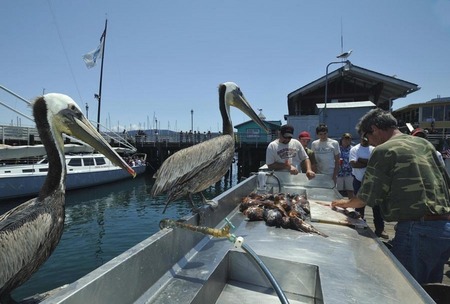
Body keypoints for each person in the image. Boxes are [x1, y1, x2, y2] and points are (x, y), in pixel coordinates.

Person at [332, 108, 450, 284]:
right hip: (443, 228)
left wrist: (344, 203)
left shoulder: (384, 150)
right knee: (430, 292)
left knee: (406, 289)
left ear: (375, 129)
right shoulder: (424, 145)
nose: (368, 142)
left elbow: (365, 198)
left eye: (366, 137)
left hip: (417, 230)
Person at [349, 135, 388, 239]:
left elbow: (377, 164)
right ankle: (358, 226)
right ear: (360, 138)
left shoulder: (374, 149)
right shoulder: (355, 149)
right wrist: (369, 162)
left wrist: (362, 161)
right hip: (358, 181)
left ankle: (380, 229)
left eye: (367, 138)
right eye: (363, 138)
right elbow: (354, 164)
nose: (365, 140)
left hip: (373, 182)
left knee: (377, 207)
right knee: (359, 206)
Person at [337, 133, 354, 198]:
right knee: (338, 191)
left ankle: (352, 205)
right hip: (339, 172)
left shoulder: (353, 149)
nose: (346, 141)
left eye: (348, 139)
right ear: (342, 140)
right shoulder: (338, 148)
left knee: (350, 190)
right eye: (345, 139)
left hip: (349, 173)